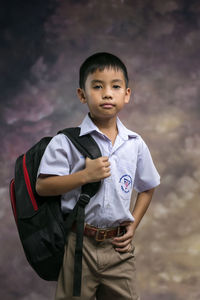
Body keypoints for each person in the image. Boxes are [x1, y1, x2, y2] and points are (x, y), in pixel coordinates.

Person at [36, 52, 160, 300]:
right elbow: (43, 186)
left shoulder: (134, 143)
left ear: (127, 94)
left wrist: (133, 224)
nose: (107, 93)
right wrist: (84, 176)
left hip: (118, 248)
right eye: (97, 86)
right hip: (78, 243)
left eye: (115, 86)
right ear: (82, 95)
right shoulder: (66, 142)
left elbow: (148, 187)